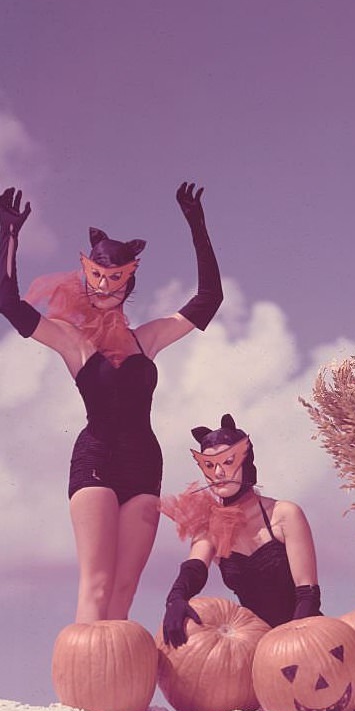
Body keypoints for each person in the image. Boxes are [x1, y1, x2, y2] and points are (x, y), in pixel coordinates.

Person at [0, 181, 222, 623]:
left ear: (129, 282)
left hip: (144, 463)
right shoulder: (71, 341)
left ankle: (116, 689)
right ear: (86, 277)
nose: (104, 287)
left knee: (124, 591)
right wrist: (8, 235)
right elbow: (6, 301)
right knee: (97, 585)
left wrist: (197, 224)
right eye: (96, 277)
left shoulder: (148, 340)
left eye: (115, 279)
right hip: (96, 458)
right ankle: (85, 691)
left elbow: (209, 299)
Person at [161, 413, 322, 647]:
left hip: (306, 638)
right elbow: (193, 570)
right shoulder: (211, 525)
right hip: (255, 648)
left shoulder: (284, 514)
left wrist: (290, 646)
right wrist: (175, 599)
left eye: (228, 462)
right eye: (209, 465)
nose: (218, 474)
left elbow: (308, 595)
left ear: (246, 462)